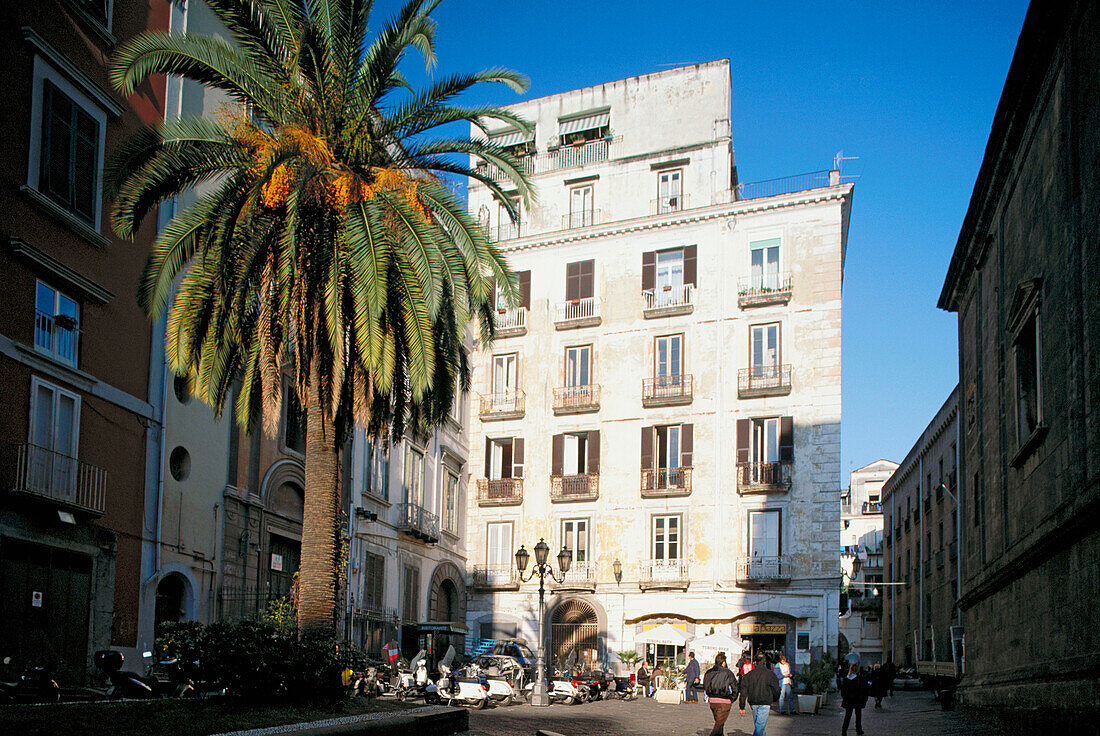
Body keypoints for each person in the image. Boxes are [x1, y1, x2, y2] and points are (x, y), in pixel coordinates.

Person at [738, 652, 781, 736]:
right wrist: (775, 698)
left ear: (755, 662)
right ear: (765, 662)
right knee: (760, 726)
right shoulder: (770, 674)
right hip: (765, 701)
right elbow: (776, 688)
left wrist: (742, 705)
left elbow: (743, 691)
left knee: (759, 725)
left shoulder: (749, 675)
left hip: (753, 701)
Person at [702, 652, 738, 736]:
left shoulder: (708, 672)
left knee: (720, 723)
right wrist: (732, 698)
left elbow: (705, 686)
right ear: (723, 662)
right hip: (724, 700)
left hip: (712, 701)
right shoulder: (728, 672)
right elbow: (735, 687)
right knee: (719, 724)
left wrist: (709, 695)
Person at [840, 661, 871, 736]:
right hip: (857, 699)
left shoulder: (846, 679)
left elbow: (843, 690)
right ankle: (858, 729)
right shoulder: (860, 679)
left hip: (849, 700)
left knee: (848, 715)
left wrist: (845, 697)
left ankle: (844, 730)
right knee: (858, 715)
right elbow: (864, 690)